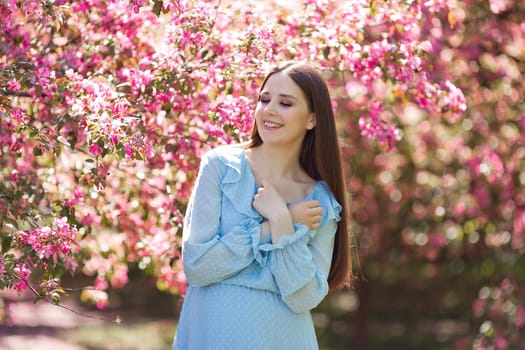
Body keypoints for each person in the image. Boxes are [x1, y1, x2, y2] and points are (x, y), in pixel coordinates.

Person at [172, 61, 352, 350]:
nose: (269, 110)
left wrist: (282, 222)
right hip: (212, 335)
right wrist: (271, 225)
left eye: (285, 103)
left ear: (312, 120)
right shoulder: (221, 168)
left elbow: (303, 298)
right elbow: (198, 267)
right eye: (264, 99)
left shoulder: (320, 202)